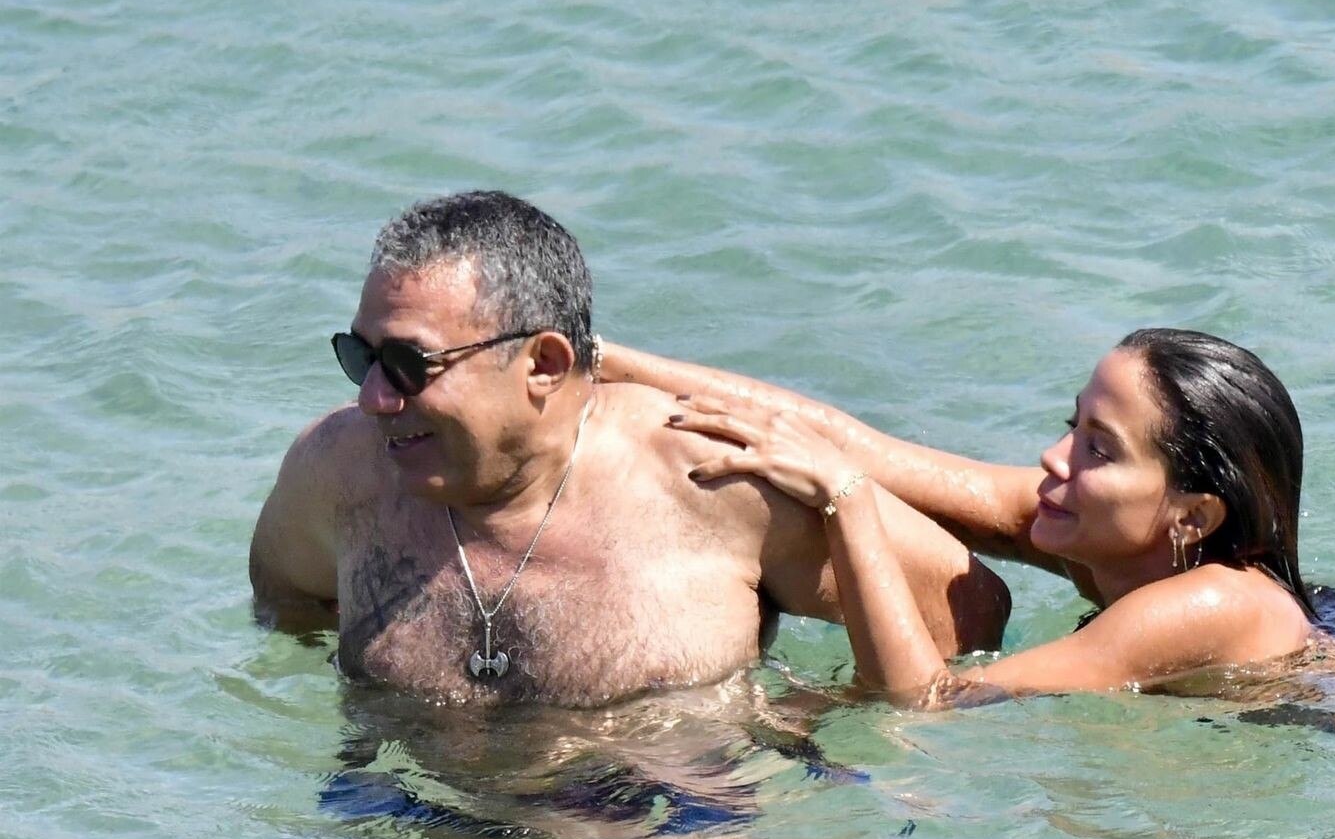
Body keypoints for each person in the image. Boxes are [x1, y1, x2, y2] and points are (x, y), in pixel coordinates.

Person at [250, 191, 1008, 707]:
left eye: (409, 365)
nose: (373, 398)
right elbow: (286, 605)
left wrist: (801, 716)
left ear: (544, 364)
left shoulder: (713, 475)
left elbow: (967, 616)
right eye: (361, 357)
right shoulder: (339, 469)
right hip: (414, 833)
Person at [599, 328, 1315, 707]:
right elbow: (860, 448)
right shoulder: (1103, 531)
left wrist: (845, 498)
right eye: (1073, 427)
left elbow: (929, 702)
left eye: (1100, 450)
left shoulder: (1214, 603)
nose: (1054, 458)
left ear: (1193, 517)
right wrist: (600, 361)